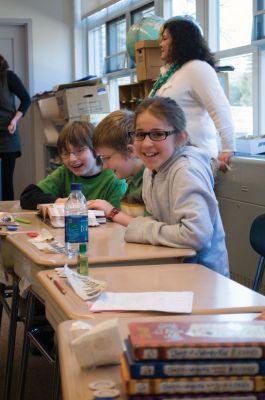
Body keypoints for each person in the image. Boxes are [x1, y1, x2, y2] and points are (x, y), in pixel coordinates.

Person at [104, 97, 229, 277]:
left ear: (180, 138)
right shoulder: (151, 169)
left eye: (157, 134)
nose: (147, 143)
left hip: (202, 276)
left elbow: (195, 236)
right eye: (140, 134)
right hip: (173, 265)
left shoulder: (186, 171)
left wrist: (138, 228)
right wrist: (142, 227)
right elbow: (158, 221)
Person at [149, 16, 235, 172]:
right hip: (169, 161)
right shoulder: (171, 73)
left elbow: (219, 108)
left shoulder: (197, 68)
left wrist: (228, 148)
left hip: (193, 161)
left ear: (180, 41)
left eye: (165, 39)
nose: (160, 44)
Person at [20, 120, 127, 209]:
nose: (72, 159)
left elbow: (117, 220)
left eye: (79, 151)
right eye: (65, 153)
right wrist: (61, 201)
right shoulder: (65, 173)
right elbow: (28, 196)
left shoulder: (115, 180)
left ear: (97, 149)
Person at [88, 109, 146, 217]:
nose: (104, 166)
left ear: (130, 152)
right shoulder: (130, 180)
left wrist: (112, 212)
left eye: (107, 157)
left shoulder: (149, 184)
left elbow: (146, 229)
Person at [0, 54, 31, 200]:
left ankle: (5, 217)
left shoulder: (8, 77)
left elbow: (26, 99)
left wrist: (14, 121)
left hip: (8, 135)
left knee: (6, 180)